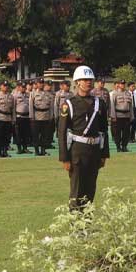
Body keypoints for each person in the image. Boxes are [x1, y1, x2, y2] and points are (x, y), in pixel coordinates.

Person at [58, 66, 110, 210]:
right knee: (77, 190)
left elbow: (104, 130)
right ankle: (76, 227)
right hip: (77, 151)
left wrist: (104, 154)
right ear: (77, 82)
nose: (88, 82)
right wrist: (65, 158)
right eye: (85, 80)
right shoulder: (68, 104)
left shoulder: (100, 103)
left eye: (90, 80)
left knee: (90, 189)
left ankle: (86, 225)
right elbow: (62, 132)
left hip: (94, 150)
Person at [109, 79, 135, 152]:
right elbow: (112, 106)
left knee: (126, 133)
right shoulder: (114, 94)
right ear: (119, 85)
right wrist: (113, 116)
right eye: (121, 84)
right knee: (117, 133)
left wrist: (132, 116)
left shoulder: (128, 94)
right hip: (118, 116)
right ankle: (118, 147)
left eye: (123, 84)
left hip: (127, 116)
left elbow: (131, 106)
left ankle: (124, 146)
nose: (122, 85)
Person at [0, 81, 15, 158]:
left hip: (8, 118)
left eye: (7, 85)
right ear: (1, 86)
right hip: (0, 118)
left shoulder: (11, 96)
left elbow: (13, 109)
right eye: (4, 85)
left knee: (7, 137)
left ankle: (5, 151)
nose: (6, 87)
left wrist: (13, 119)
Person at [13, 82, 32, 154]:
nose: (23, 88)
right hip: (19, 117)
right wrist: (14, 118)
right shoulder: (15, 95)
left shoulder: (28, 95)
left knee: (26, 134)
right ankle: (19, 148)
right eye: (22, 87)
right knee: (18, 134)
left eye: (24, 87)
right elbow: (13, 108)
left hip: (26, 117)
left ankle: (25, 148)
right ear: (19, 87)